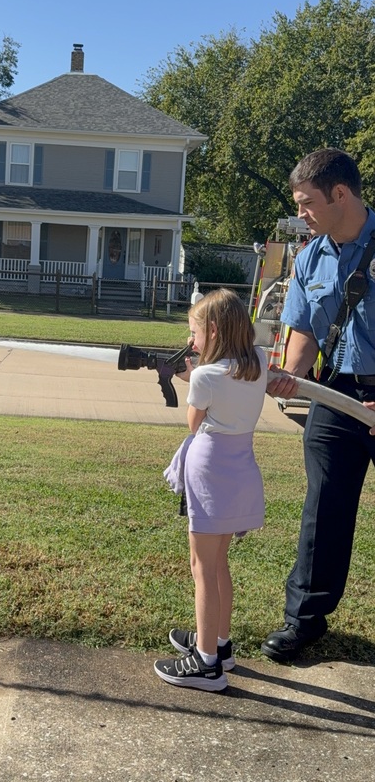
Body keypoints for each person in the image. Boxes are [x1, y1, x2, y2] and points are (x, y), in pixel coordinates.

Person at [262, 147, 375, 662]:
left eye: (307, 203)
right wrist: (292, 377)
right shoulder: (310, 255)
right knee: (324, 507)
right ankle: (304, 620)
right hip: (335, 394)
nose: (301, 213)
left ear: (340, 194)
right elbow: (304, 331)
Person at [154, 289, 268, 692]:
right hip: (240, 470)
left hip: (209, 472)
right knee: (219, 564)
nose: (191, 341)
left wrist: (192, 377)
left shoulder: (204, 376)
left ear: (214, 330)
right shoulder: (259, 363)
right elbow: (232, 386)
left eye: (194, 333)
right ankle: (219, 643)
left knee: (201, 568)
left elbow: (193, 421)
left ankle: (205, 663)